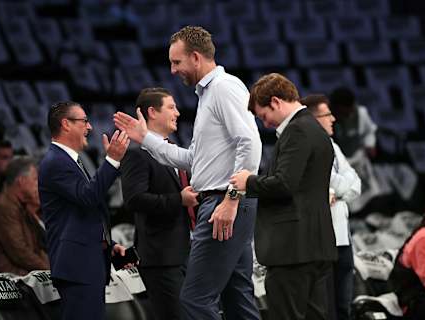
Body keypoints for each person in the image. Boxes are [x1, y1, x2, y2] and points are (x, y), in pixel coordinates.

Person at [115, 26, 262, 320]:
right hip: (226, 201)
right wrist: (146, 139)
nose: (172, 70)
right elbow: (192, 160)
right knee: (237, 298)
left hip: (223, 203)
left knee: (194, 300)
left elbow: (251, 143)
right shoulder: (208, 96)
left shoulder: (222, 88)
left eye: (176, 62)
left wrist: (231, 199)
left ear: (196, 58)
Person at [230, 73, 337, 320]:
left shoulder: (297, 130)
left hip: (293, 251)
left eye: (264, 116)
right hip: (315, 246)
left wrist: (248, 181)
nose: (266, 124)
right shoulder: (314, 129)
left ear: (276, 102)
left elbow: (284, 184)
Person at [38, 101, 130, 320]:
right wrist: (112, 160)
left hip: (88, 261)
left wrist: (107, 243)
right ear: (66, 124)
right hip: (77, 266)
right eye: (84, 121)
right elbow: (89, 197)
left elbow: (82, 212)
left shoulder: (71, 161)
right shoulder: (55, 162)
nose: (89, 127)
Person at [120, 88, 198, 320]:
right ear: (152, 112)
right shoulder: (137, 154)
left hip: (186, 252)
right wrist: (179, 200)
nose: (178, 112)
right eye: (171, 107)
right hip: (161, 258)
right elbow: (134, 199)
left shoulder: (174, 151)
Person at [303, 94, 362, 320]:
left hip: (343, 238)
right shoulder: (310, 147)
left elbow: (355, 183)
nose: (333, 119)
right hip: (323, 240)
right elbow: (334, 180)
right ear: (314, 119)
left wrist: (337, 191)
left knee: (344, 307)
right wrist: (340, 186)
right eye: (327, 114)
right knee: (327, 310)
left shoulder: (334, 146)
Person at [0, 156, 49, 276]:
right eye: (35, 179)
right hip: (6, 279)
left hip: (22, 273)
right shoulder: (4, 207)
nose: (38, 184)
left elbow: (37, 247)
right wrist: (50, 270)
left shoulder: (21, 206)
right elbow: (19, 252)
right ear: (21, 181)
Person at [328, 87, 377, 159]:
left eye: (346, 113)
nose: (344, 116)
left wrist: (369, 145)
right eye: (340, 112)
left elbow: (369, 131)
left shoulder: (360, 113)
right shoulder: (324, 119)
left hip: (358, 157)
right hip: (337, 161)